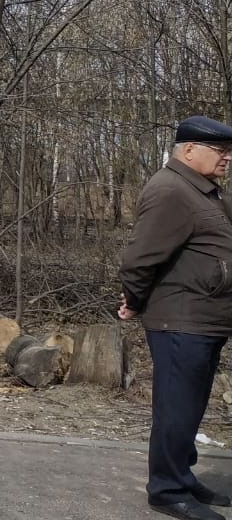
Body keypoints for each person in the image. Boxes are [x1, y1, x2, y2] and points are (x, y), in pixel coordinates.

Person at [120, 115, 232, 520]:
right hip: (180, 320)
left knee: (191, 406)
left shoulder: (204, 191)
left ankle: (182, 475)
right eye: (220, 151)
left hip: (205, 317)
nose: (227, 158)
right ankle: (167, 490)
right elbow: (140, 258)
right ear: (188, 150)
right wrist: (135, 301)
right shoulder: (170, 190)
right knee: (177, 407)